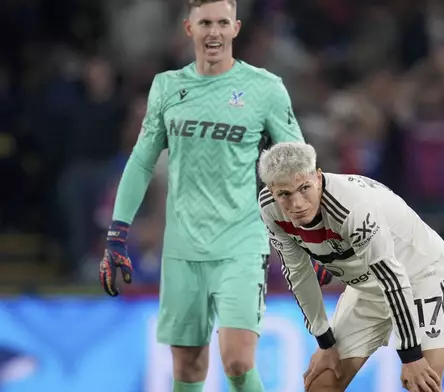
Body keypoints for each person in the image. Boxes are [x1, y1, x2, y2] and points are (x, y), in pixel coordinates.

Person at [97, 1, 307, 391]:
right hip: (182, 248)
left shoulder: (265, 89)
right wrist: (117, 233)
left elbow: (296, 165)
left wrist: (316, 232)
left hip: (240, 243)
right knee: (189, 368)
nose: (214, 32)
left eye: (222, 23)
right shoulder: (168, 86)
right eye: (205, 23)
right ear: (189, 28)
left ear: (236, 28)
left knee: (238, 360)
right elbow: (142, 161)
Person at [257, 142, 444, 392]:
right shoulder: (269, 209)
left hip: (421, 273)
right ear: (272, 191)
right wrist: (325, 343)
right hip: (366, 284)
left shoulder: (353, 207)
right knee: (321, 384)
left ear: (317, 177)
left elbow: (392, 279)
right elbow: (298, 273)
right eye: (284, 194)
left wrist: (411, 355)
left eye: (304, 188)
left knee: (422, 384)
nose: (296, 203)